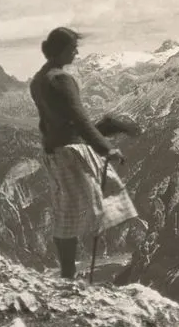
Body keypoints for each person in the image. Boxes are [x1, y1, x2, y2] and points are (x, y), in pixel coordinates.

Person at [30, 27, 139, 279]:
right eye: (73, 48)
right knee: (106, 196)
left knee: (65, 212)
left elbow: (50, 122)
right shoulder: (62, 79)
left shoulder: (38, 80)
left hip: (55, 152)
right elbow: (79, 120)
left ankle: (67, 272)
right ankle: (70, 274)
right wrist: (107, 148)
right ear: (61, 50)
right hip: (72, 152)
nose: (76, 52)